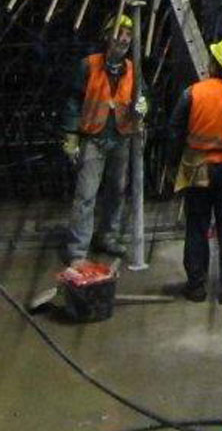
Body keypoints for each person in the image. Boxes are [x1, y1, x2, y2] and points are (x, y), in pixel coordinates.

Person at [170, 39, 222, 303]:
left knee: (197, 225)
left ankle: (196, 286)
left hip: (198, 170)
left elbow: (174, 131)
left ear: (214, 64)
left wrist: (171, 164)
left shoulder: (192, 93)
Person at [60, 14, 144, 265]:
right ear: (107, 36)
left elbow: (143, 95)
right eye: (120, 34)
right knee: (86, 195)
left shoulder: (133, 69)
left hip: (121, 136)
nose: (124, 39)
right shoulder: (89, 65)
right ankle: (77, 251)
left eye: (128, 35)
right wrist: (71, 135)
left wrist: (144, 105)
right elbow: (74, 100)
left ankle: (107, 235)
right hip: (94, 137)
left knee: (117, 191)